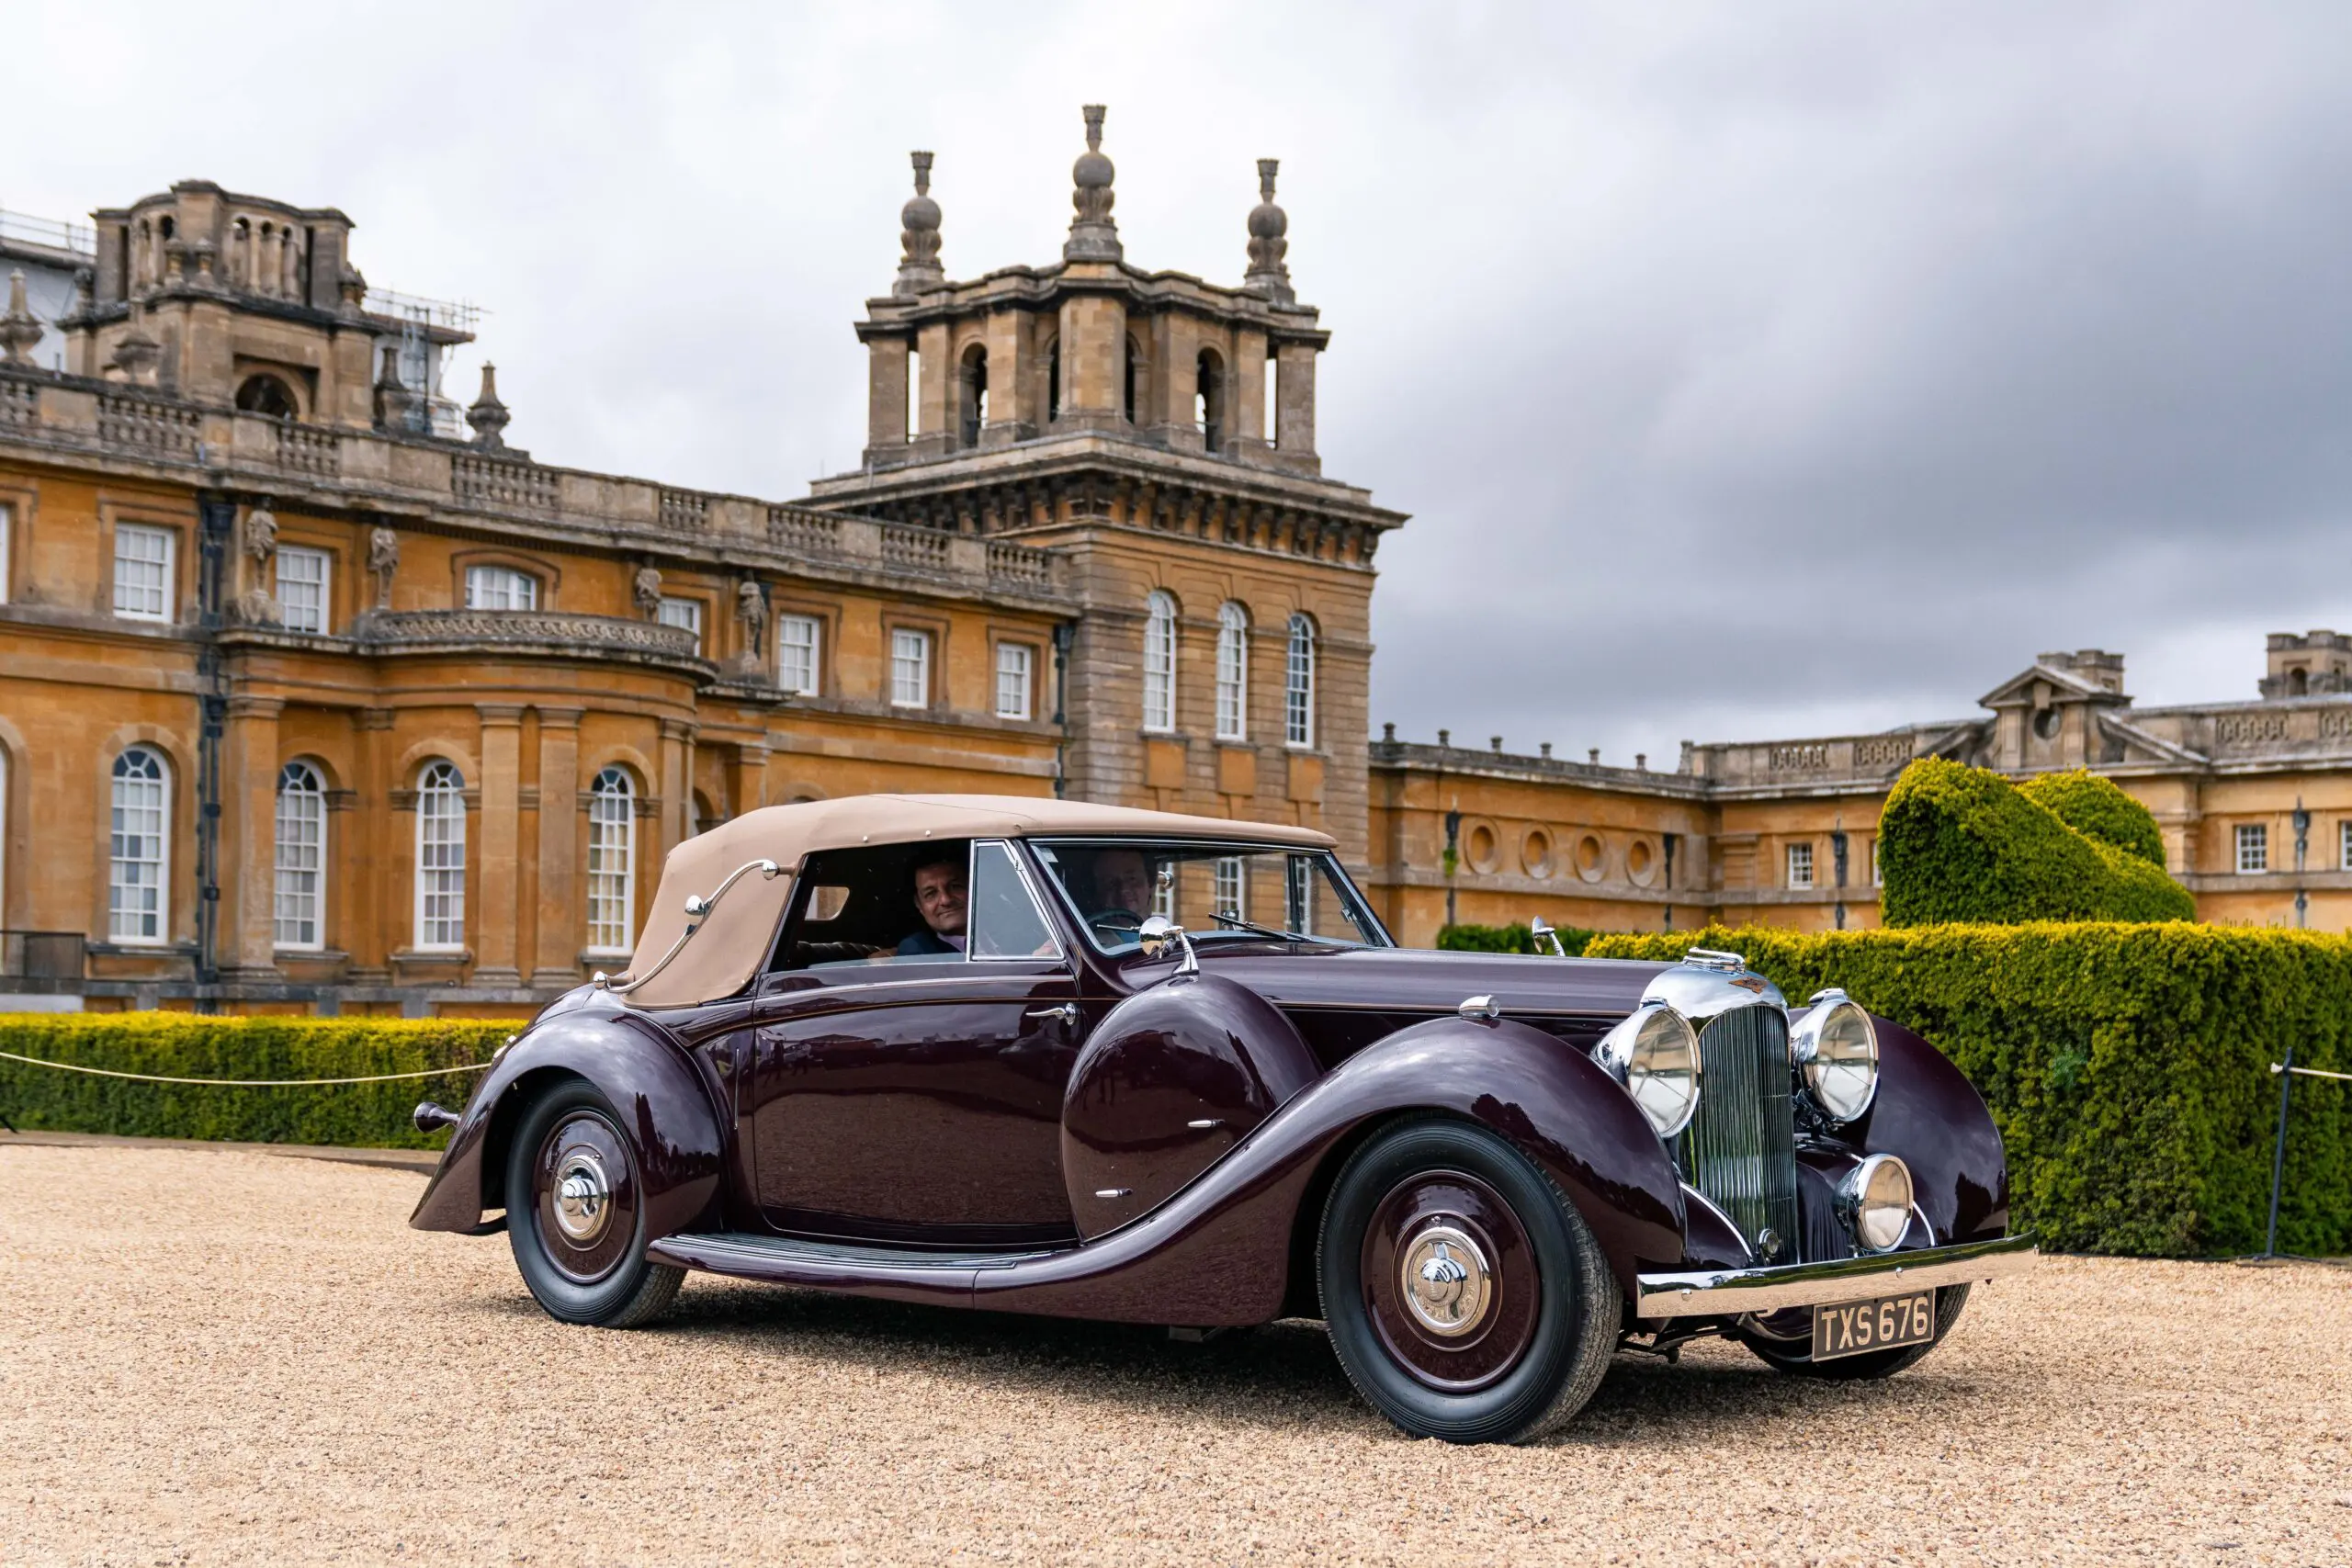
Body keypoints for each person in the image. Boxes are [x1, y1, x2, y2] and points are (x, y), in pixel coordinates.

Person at [897, 849, 968, 955]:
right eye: (931, 894)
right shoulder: (918, 951)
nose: (946, 900)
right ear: (919, 904)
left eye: (955, 887)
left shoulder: (998, 933)